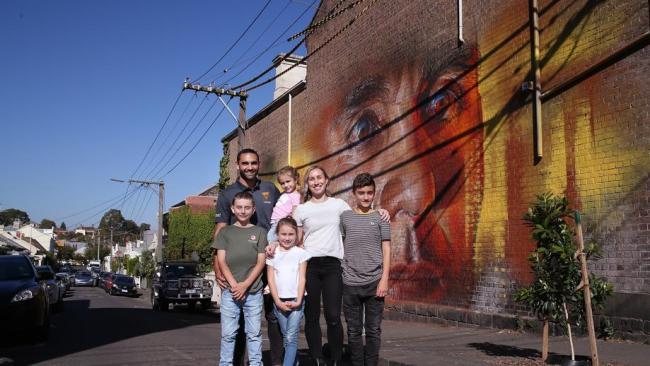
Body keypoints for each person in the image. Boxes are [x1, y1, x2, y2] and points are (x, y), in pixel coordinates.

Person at [285, 166, 389, 366]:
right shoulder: (301, 210)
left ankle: (336, 358)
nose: (316, 182)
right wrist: (275, 244)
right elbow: (296, 240)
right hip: (311, 265)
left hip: (333, 265)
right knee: (312, 316)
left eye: (319, 178)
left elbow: (360, 217)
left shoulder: (339, 205)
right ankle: (317, 357)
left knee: (333, 315)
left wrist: (381, 211)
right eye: (312, 179)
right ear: (307, 184)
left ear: (326, 180)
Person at [212, 148, 284, 366]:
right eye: (245, 163)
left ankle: (275, 362)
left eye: (253, 163)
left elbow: (286, 219)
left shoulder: (271, 190)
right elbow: (220, 229)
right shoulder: (227, 194)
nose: (250, 167)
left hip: (269, 261)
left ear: (259, 164)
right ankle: (235, 362)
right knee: (239, 322)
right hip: (240, 266)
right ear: (237, 165)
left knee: (273, 316)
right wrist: (216, 265)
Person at [340, 173, 391, 366]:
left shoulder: (381, 218)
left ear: (374, 193)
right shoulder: (345, 218)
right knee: (353, 331)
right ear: (354, 193)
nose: (366, 197)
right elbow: (340, 244)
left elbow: (386, 249)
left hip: (374, 283)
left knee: (373, 330)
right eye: (361, 193)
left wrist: (384, 279)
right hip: (350, 283)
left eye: (369, 193)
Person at [213, 191, 267, 366]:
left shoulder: (260, 232)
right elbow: (221, 260)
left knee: (254, 335)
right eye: (239, 207)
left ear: (253, 210)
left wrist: (245, 285)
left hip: (253, 292)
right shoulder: (225, 232)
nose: (243, 211)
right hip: (230, 292)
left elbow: (261, 262)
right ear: (232, 209)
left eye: (247, 207)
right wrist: (235, 285)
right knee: (228, 335)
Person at [266, 217, 311, 366]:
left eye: (291, 234)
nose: (287, 238)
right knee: (287, 338)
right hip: (279, 300)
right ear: (277, 235)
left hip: (296, 301)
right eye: (283, 234)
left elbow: (302, 278)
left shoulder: (301, 253)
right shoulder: (272, 253)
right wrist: (278, 302)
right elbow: (271, 279)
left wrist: (298, 300)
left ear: (296, 235)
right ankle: (294, 362)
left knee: (291, 338)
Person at [267, 166, 301, 243]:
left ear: (295, 180)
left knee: (270, 239)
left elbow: (295, 211)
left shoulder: (296, 195)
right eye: (282, 183)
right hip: (275, 222)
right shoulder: (284, 194)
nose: (285, 185)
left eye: (288, 181)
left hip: (281, 222)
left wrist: (291, 222)